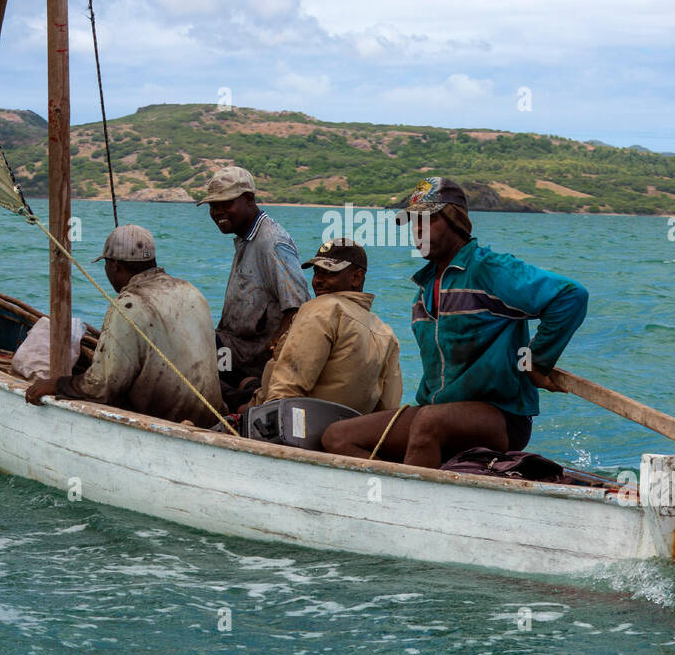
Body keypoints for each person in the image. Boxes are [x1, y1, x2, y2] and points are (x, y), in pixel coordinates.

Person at [321, 177, 588, 468]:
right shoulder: (422, 293)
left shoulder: (489, 270)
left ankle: (412, 500)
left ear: (455, 221)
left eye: (428, 221)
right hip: (438, 414)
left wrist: (535, 361)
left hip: (501, 417)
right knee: (337, 436)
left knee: (427, 422)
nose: (418, 231)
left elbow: (570, 297)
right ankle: (397, 493)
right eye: (414, 223)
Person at [24, 223, 226, 427]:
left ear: (114, 266)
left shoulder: (129, 305)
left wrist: (58, 384)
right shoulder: (191, 291)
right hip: (210, 417)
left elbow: (102, 387)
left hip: (167, 421)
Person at [197, 165, 310, 409]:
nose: (217, 212)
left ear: (248, 199)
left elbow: (298, 308)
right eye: (212, 206)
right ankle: (241, 387)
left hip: (252, 357)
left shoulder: (272, 242)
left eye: (225, 204)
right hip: (233, 350)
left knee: (193, 352)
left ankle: (246, 396)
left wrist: (276, 358)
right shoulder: (247, 237)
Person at [251, 238, 402, 414]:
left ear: (356, 277)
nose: (318, 280)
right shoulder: (386, 334)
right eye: (317, 272)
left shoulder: (322, 309)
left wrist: (267, 423)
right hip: (348, 434)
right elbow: (388, 410)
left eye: (329, 273)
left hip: (297, 427)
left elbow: (286, 388)